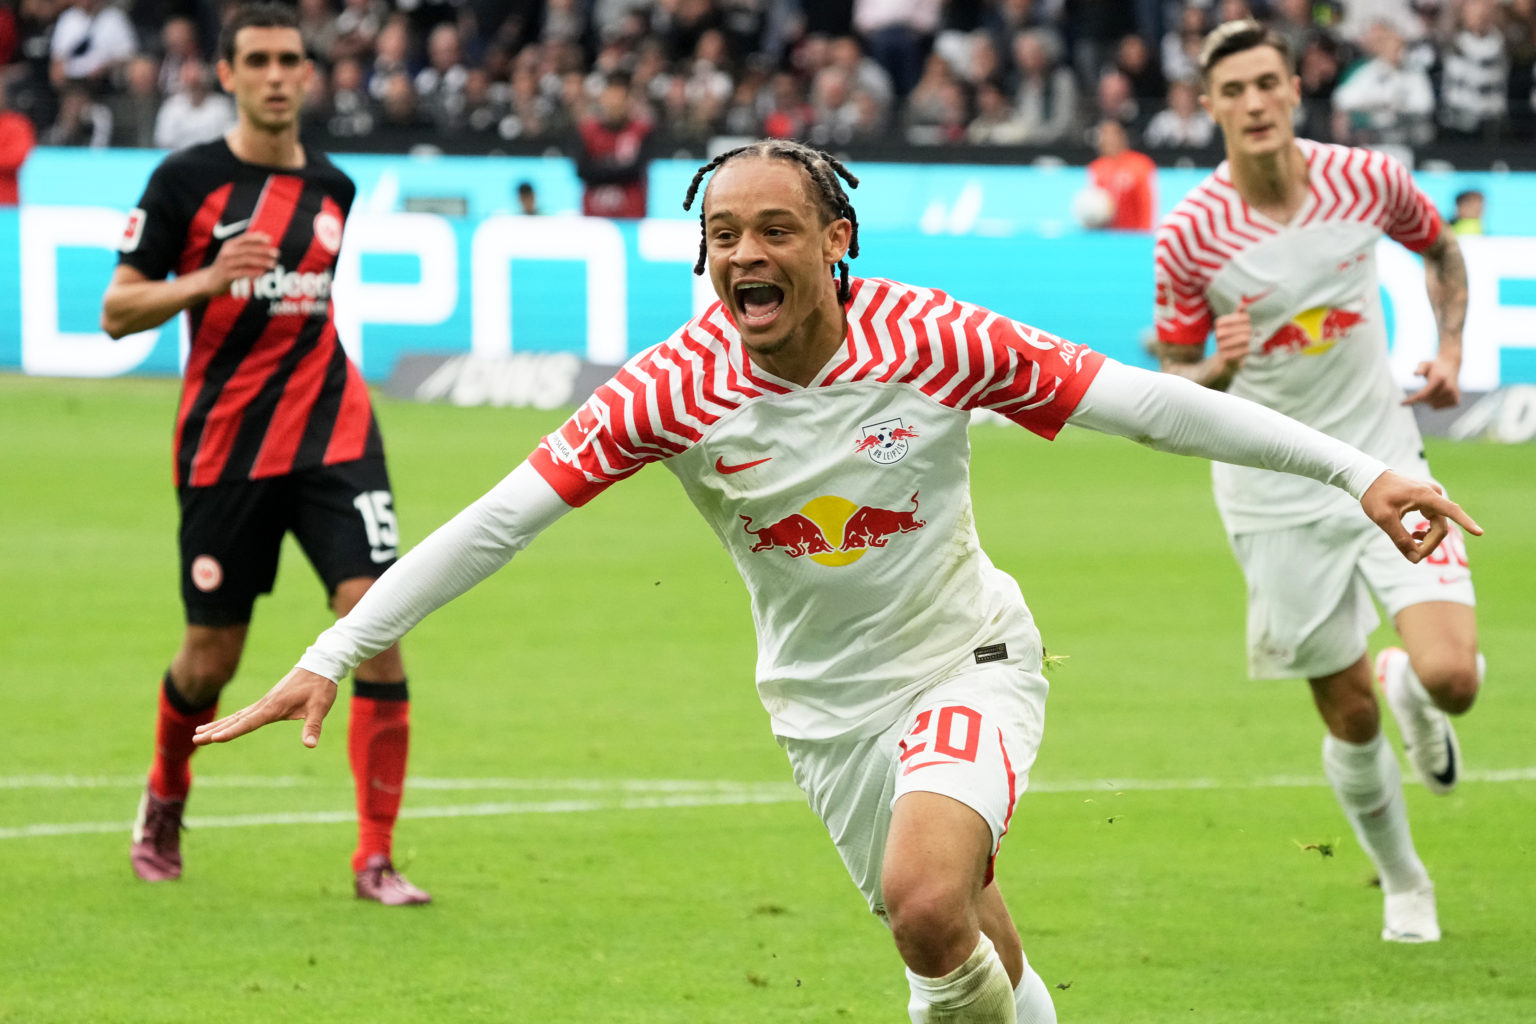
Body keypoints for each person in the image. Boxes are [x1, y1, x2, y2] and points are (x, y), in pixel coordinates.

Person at [195, 138, 1477, 1022]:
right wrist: (333, 650)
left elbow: (1144, 404)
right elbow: (498, 520)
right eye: (719, 235)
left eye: (772, 229)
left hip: (967, 655)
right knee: (964, 926)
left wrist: (1357, 474)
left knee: (927, 907)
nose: (742, 253)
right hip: (820, 711)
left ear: (833, 237)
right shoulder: (673, 386)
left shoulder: (936, 336)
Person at [1153, 20, 1482, 944]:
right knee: (1346, 711)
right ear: (1210, 106)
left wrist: (1449, 347)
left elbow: (1442, 248)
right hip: (1273, 494)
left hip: (1385, 457)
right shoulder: (1189, 236)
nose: (1254, 102)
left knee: (1453, 676)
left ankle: (1414, 686)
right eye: (1233, 91)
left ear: (1295, 89)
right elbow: (1175, 374)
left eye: (1268, 83)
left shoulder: (1364, 179)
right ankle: (1405, 881)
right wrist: (1214, 369)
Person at [99, 2, 429, 907]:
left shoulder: (335, 187)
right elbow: (115, 310)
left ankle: (375, 857)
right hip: (226, 445)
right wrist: (207, 278)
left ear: (308, 74)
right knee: (211, 657)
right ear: (228, 74)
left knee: (377, 621)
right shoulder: (185, 181)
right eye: (260, 61)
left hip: (335, 430)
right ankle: (166, 795)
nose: (279, 75)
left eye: (292, 60)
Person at [573, 71, 652, 219]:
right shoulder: (587, 131)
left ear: (628, 101)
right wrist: (617, 167)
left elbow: (636, 170)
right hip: (594, 217)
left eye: (619, 99)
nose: (614, 104)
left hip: (630, 217)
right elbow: (582, 170)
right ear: (602, 99)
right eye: (611, 98)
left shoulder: (642, 131)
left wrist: (600, 166)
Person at [1085, 118, 1157, 230]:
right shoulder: (1096, 167)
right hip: (1107, 236)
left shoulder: (1140, 164)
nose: (1108, 140)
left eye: (1112, 135)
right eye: (1104, 136)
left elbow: (1146, 202)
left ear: (1122, 137)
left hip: (1133, 234)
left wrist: (1145, 232)